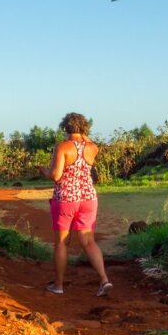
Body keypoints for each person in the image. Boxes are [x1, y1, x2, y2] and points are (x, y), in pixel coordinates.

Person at [40, 112, 112, 296]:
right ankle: (104, 279)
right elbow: (87, 142)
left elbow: (56, 175)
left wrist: (43, 171)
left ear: (65, 127)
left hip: (66, 199)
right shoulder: (92, 147)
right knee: (88, 241)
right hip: (88, 198)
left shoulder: (62, 147)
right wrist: (83, 133)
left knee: (62, 243)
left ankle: (58, 286)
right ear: (85, 128)